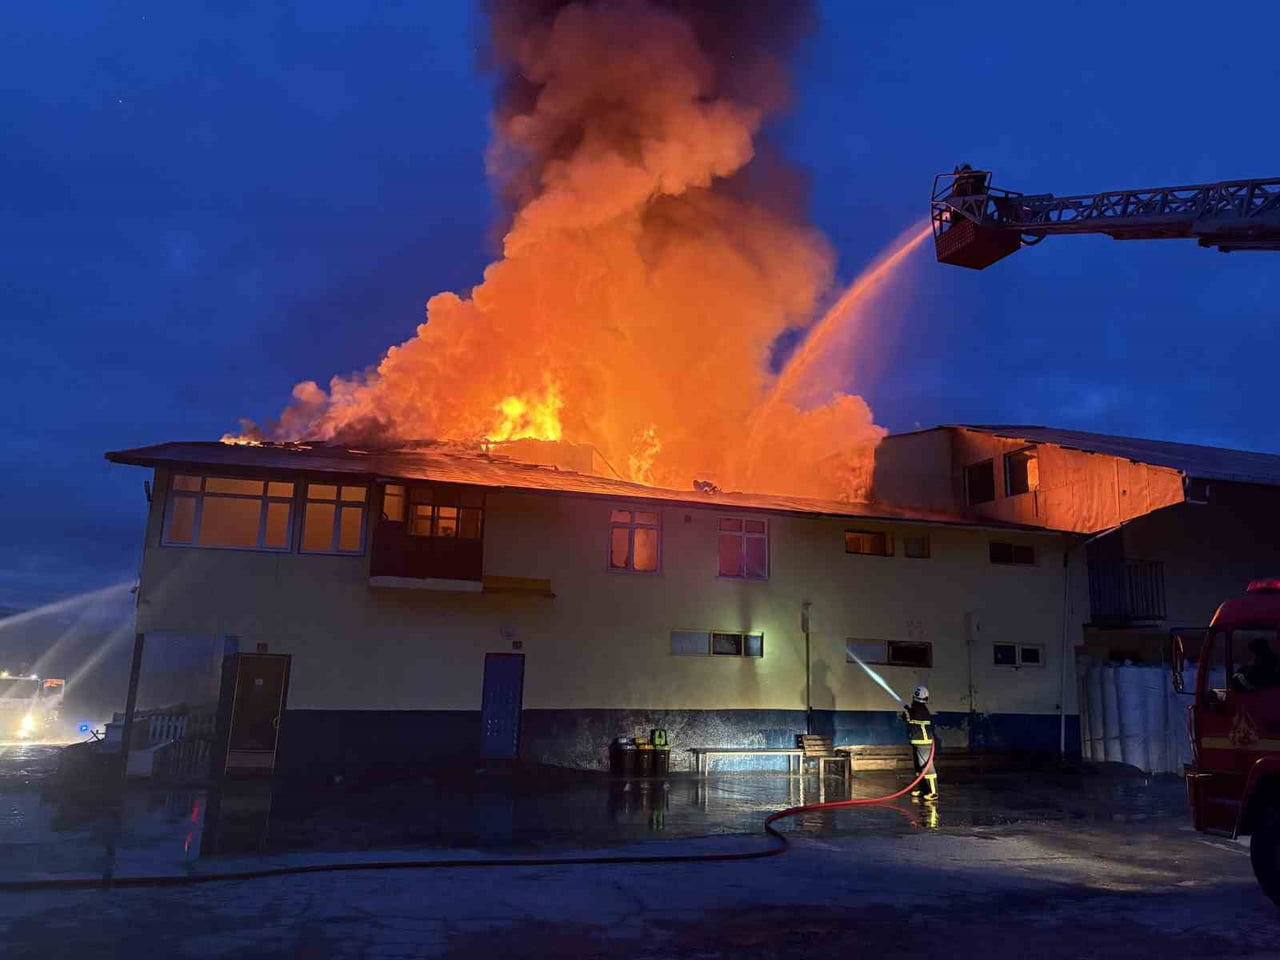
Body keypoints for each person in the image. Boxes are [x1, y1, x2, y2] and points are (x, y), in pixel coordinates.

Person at [904, 685, 938, 802]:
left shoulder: (920, 710)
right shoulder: (917, 709)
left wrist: (908, 715)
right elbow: (913, 722)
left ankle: (933, 792)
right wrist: (908, 715)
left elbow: (914, 719)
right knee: (919, 768)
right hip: (917, 742)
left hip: (923, 743)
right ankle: (923, 789)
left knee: (927, 767)